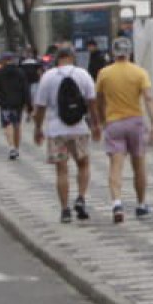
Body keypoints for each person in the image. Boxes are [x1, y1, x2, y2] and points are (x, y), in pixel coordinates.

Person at [32, 45, 101, 224]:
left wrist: (38, 128)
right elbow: (92, 103)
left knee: (62, 170)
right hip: (79, 128)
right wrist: (96, 125)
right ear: (73, 58)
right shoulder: (83, 74)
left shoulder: (48, 77)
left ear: (57, 59)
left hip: (56, 130)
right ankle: (81, 198)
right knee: (83, 164)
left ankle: (65, 210)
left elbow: (40, 107)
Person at [96, 37, 153, 224]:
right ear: (130, 52)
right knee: (139, 165)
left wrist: (101, 120)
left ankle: (116, 202)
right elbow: (148, 98)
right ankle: (141, 204)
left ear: (113, 53)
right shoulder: (140, 73)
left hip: (114, 122)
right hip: (135, 122)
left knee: (115, 166)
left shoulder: (104, 73)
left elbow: (99, 99)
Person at [0, 51, 34, 160]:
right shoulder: (20, 72)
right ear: (12, 60)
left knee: (7, 124)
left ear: (3, 60)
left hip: (5, 103)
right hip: (18, 104)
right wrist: (29, 105)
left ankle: (12, 147)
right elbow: (26, 90)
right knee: (17, 125)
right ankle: (16, 148)